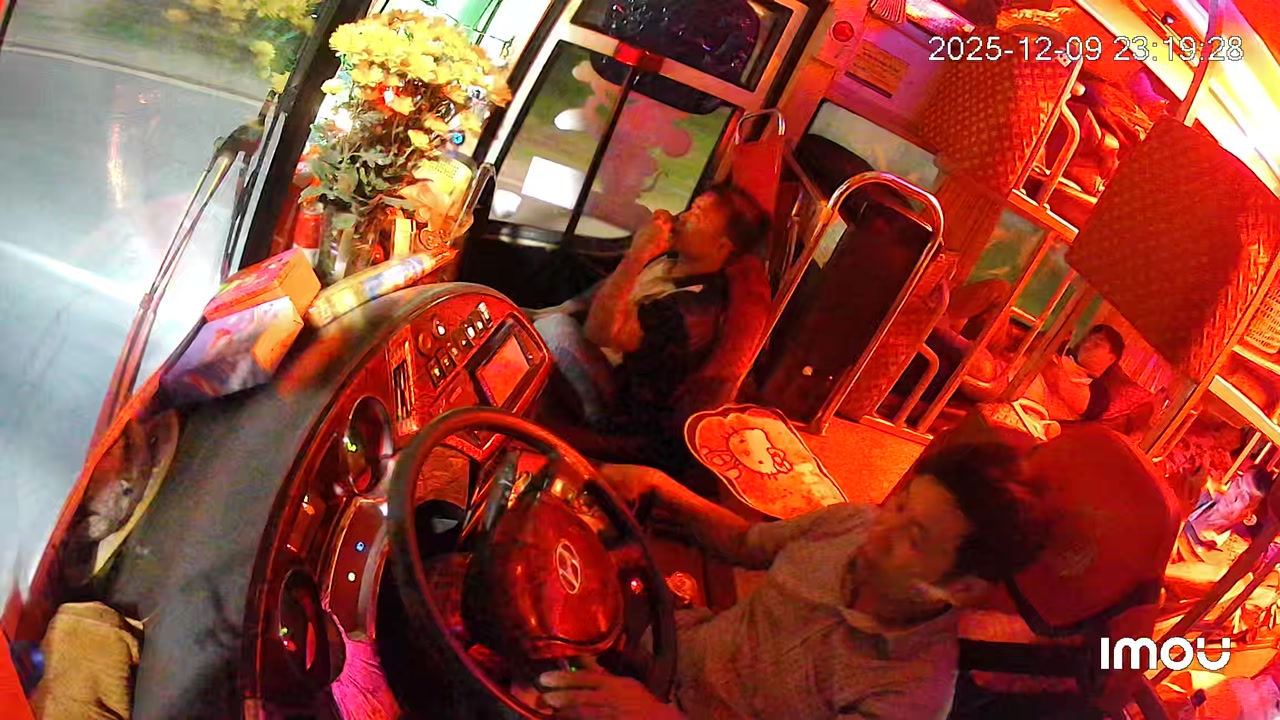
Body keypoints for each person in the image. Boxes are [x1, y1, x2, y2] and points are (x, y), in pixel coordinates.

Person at [538, 442, 1051, 719]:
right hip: (671, 644)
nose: (882, 529)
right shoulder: (852, 523)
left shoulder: (910, 697)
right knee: (535, 567)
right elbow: (745, 543)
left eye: (914, 537)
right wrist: (657, 483)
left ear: (961, 588)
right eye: (900, 505)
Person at [529, 184, 770, 433]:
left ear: (722, 246)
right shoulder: (672, 261)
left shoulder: (689, 312)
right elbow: (608, 291)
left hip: (616, 399)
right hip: (599, 357)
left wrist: (637, 254)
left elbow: (599, 332)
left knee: (554, 328)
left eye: (697, 215)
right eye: (690, 208)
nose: (682, 217)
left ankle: (582, 418)